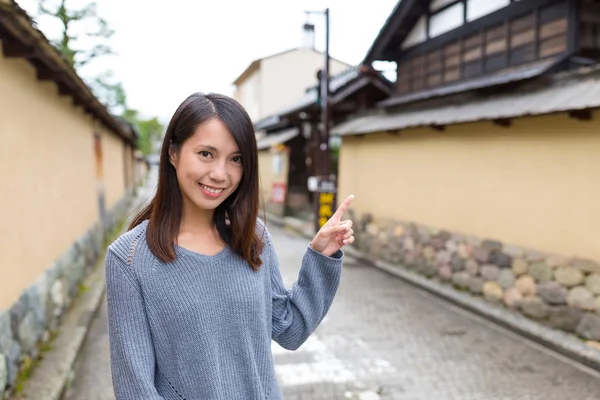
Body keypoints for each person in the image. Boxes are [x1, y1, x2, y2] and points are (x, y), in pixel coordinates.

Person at [105, 92, 355, 400]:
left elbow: (290, 329)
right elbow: (135, 389)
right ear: (173, 152)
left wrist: (321, 256)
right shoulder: (129, 258)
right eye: (206, 154)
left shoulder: (252, 237)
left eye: (236, 159)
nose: (220, 174)